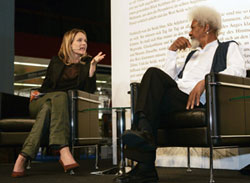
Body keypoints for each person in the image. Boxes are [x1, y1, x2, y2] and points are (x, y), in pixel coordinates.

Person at [114, 6, 246, 183]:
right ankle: (145, 155)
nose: (189, 32)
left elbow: (239, 71)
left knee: (152, 79)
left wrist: (204, 82)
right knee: (153, 77)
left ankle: (144, 159)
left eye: (193, 27)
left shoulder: (228, 47)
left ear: (206, 27)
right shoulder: (192, 55)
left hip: (198, 100)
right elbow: (167, 80)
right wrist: (171, 52)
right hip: (179, 98)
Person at [12, 28, 105, 178]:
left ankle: (23, 156)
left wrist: (92, 67)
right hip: (41, 101)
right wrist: (36, 93)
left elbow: (88, 91)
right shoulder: (56, 60)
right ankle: (63, 149)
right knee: (57, 97)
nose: (84, 44)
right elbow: (46, 87)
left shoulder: (87, 63)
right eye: (79, 40)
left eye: (86, 41)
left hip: (57, 108)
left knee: (52, 105)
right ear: (69, 43)